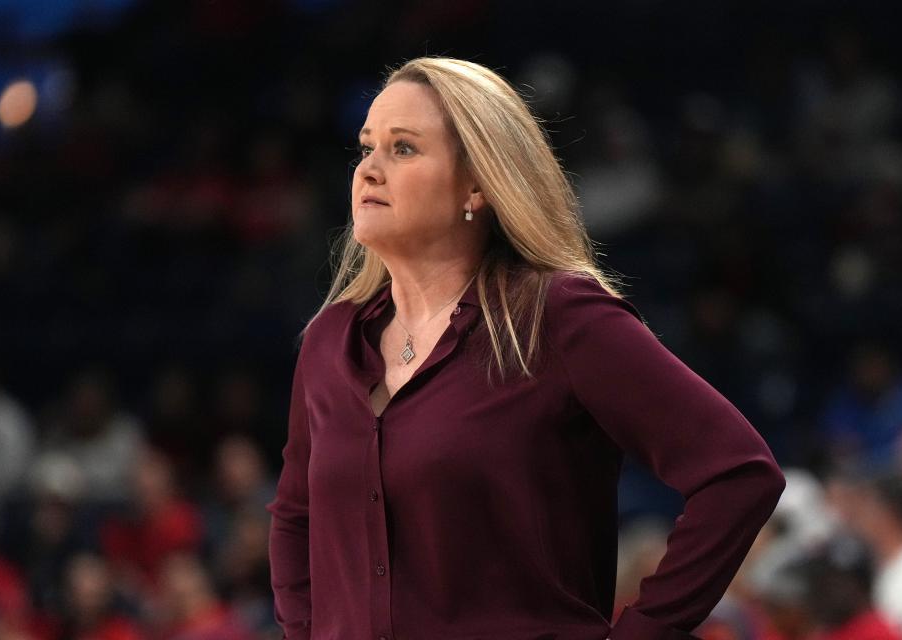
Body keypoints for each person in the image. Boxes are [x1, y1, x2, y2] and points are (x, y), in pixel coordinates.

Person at [267, 56, 785, 640]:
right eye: (366, 148)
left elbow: (739, 474)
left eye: (403, 149)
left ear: (479, 184)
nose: (368, 171)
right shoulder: (329, 342)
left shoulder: (557, 316)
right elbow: (295, 516)